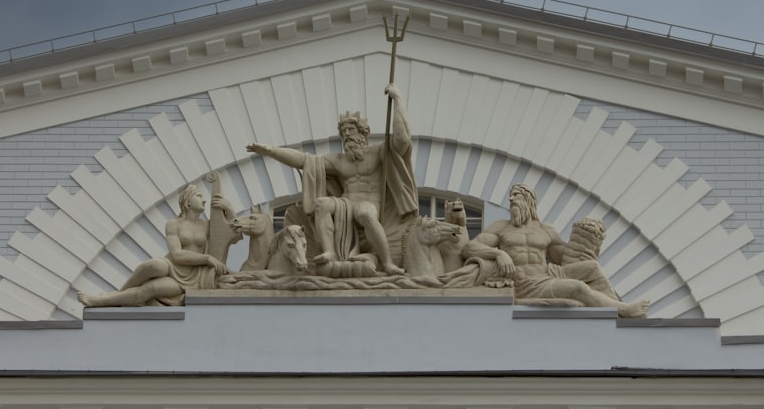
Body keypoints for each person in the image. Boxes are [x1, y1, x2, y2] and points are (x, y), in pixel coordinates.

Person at [246, 83, 416, 275]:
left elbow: (402, 140)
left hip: (370, 203)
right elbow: (304, 160)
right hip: (345, 203)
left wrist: (398, 100)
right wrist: (271, 151)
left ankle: (387, 263)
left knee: (366, 213)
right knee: (322, 204)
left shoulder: (378, 152)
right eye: (343, 133)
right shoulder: (338, 160)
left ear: (363, 132)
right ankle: (329, 252)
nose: (346, 136)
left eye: (350, 130)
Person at [462, 183, 650, 318]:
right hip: (525, 283)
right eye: (511, 195)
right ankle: (622, 310)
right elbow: (470, 247)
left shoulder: (546, 229)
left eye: (516, 195)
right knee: (577, 287)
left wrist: (588, 243)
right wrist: (499, 253)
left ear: (528, 200)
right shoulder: (501, 227)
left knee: (592, 267)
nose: (511, 199)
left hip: (549, 274)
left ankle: (615, 309)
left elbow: (564, 258)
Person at [78, 184, 235, 307]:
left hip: (192, 278)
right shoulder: (173, 224)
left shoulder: (208, 226)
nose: (204, 200)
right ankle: (120, 293)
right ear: (187, 201)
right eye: (199, 196)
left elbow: (234, 230)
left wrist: (228, 208)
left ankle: (102, 301)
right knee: (155, 266)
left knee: (150, 289)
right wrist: (207, 258)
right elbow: (177, 255)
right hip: (171, 266)